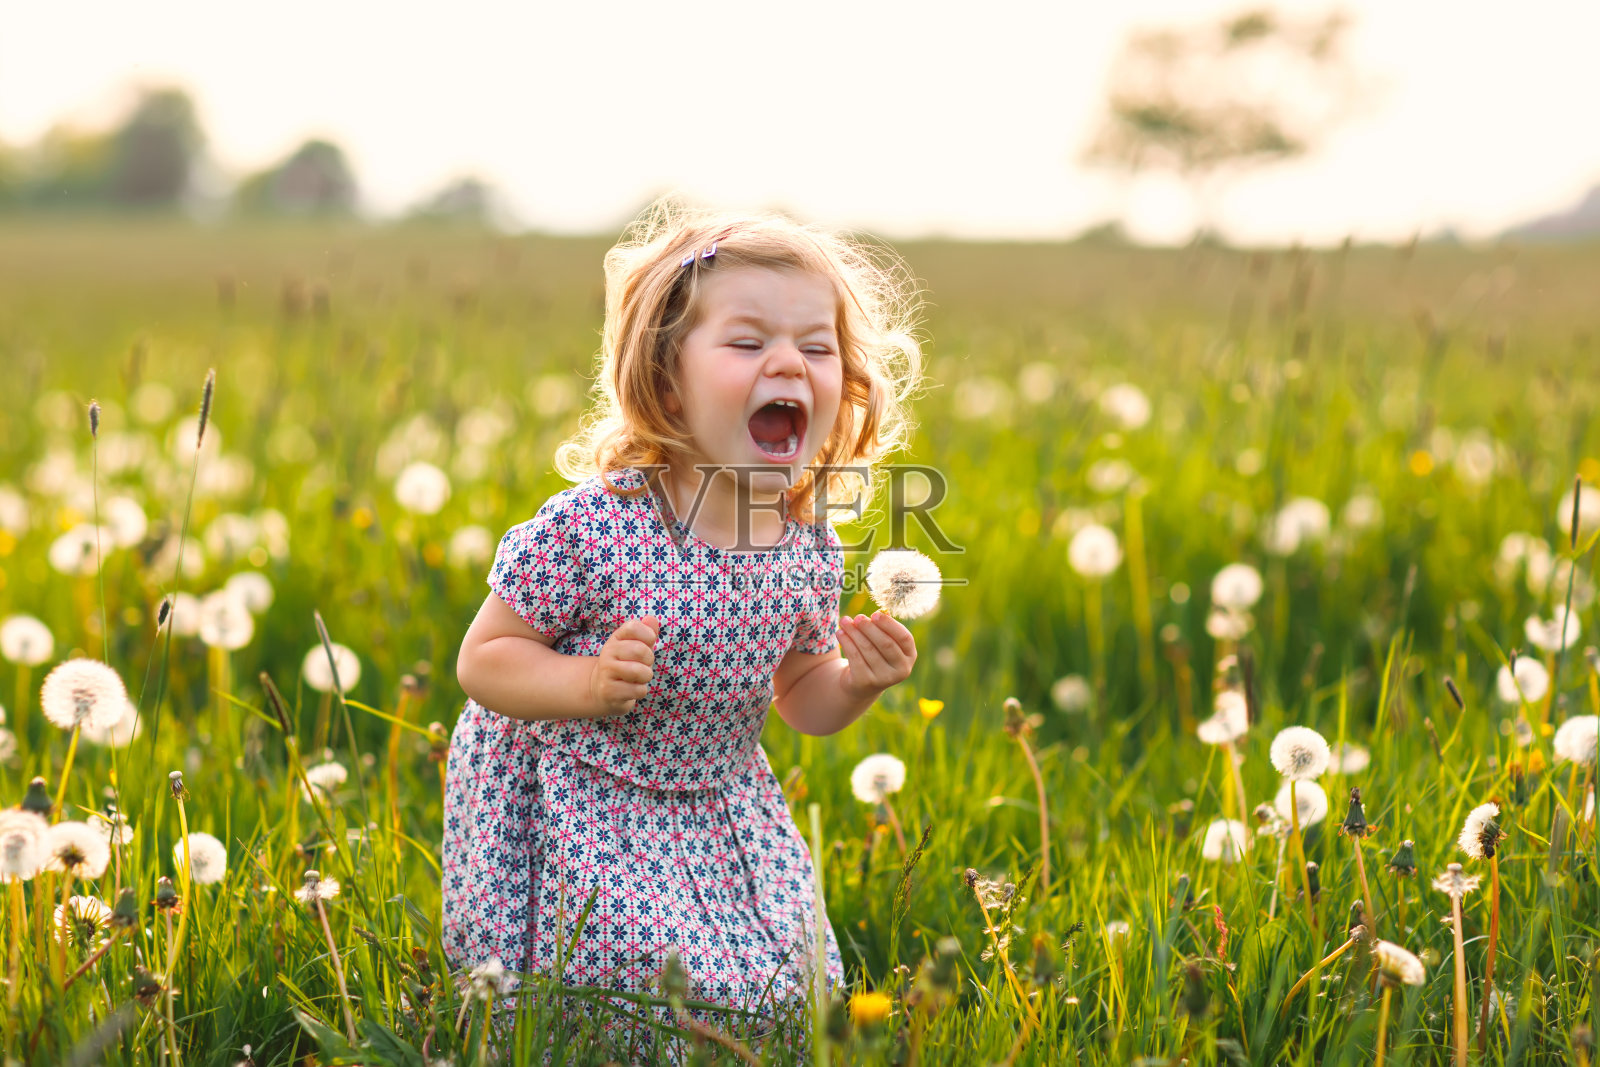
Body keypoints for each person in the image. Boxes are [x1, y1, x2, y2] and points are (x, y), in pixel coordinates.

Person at [440, 197, 927, 1059]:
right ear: (667, 379)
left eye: (816, 347)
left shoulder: (807, 539)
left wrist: (855, 682)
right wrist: (582, 684)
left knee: (791, 990)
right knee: (610, 991)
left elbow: (800, 695)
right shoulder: (593, 528)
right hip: (579, 798)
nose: (788, 361)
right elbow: (484, 660)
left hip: (721, 806)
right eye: (748, 343)